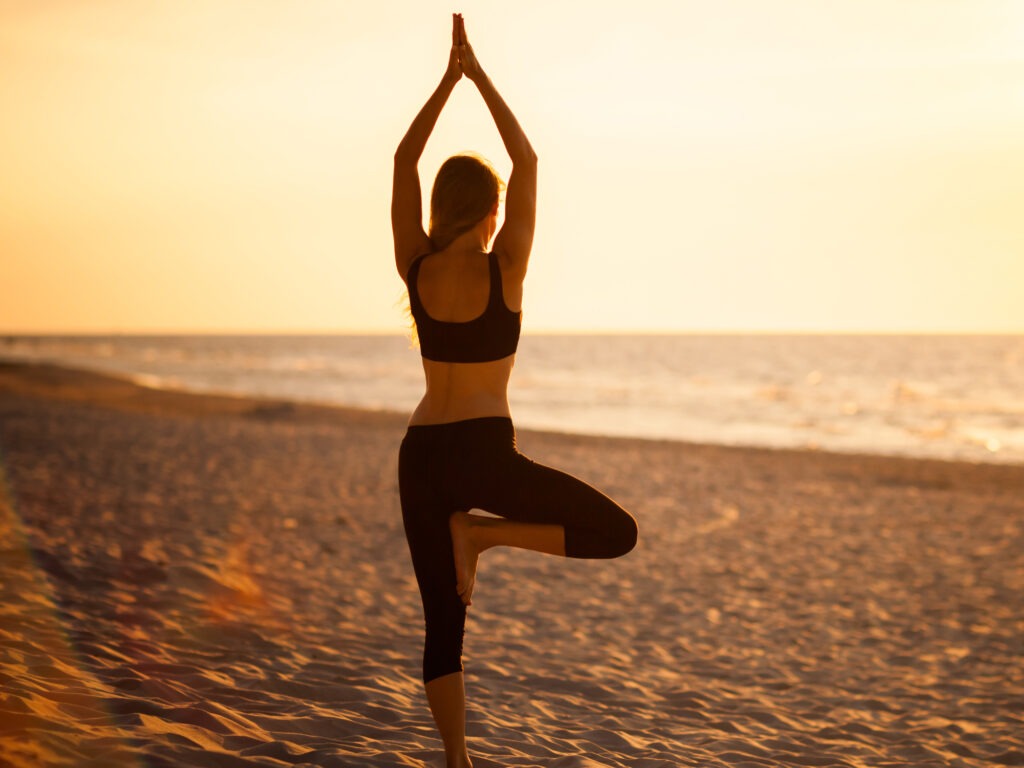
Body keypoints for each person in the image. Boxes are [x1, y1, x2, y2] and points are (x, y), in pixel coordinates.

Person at [392, 14, 638, 767]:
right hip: (483, 457)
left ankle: (457, 759)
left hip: (421, 455)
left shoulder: (416, 266)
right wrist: (476, 75)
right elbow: (526, 156)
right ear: (492, 212)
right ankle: (486, 535)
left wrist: (446, 82)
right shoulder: (507, 269)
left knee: (443, 623)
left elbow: (403, 159)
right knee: (616, 533)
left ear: (442, 208)